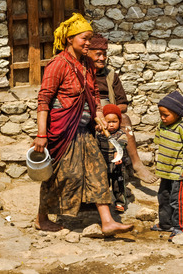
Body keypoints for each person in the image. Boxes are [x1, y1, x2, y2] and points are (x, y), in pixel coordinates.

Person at [33, 13, 133, 235]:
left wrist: (98, 118)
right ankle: (42, 218)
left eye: (90, 39)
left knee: (97, 171)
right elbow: (44, 100)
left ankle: (107, 221)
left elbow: (94, 96)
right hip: (63, 131)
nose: (88, 43)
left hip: (85, 130)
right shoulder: (57, 65)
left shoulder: (87, 64)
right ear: (69, 39)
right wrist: (41, 134)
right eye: (84, 38)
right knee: (62, 175)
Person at [87, 34, 158, 184]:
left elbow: (123, 104)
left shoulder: (111, 75)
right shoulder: (82, 73)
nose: (102, 58)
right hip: (89, 115)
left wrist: (110, 112)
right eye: (98, 54)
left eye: (104, 54)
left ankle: (136, 164)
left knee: (124, 118)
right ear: (87, 53)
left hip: (109, 115)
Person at [150, 91, 183, 241]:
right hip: (165, 171)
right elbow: (159, 144)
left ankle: (180, 227)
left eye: (166, 115)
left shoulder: (181, 128)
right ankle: (165, 224)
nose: (162, 118)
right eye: (161, 114)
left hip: (177, 171)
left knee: (177, 201)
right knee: (163, 197)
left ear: (177, 114)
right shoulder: (161, 126)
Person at [97, 104, 132, 213]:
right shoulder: (100, 134)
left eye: (114, 122)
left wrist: (118, 154)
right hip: (104, 164)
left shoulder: (121, 134)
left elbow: (122, 143)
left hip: (118, 165)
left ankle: (120, 202)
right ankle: (104, 203)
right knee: (104, 184)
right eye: (108, 122)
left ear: (119, 122)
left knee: (119, 185)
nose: (111, 125)